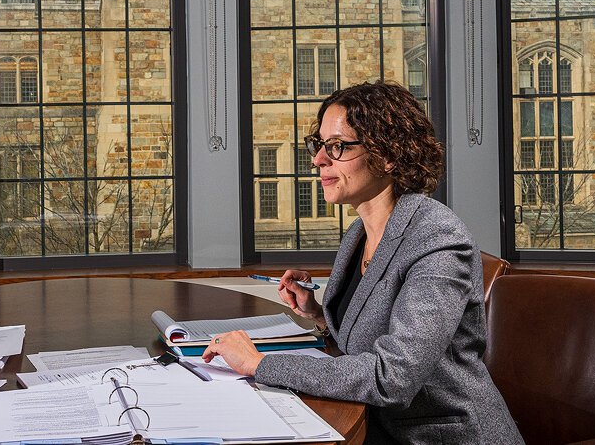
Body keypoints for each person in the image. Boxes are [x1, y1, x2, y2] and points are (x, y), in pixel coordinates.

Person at [203, 82, 521, 444]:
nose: (318, 159)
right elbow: (367, 341)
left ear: (388, 155)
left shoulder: (438, 240)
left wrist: (258, 364)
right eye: (319, 145)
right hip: (377, 427)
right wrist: (321, 313)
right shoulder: (359, 233)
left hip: (440, 435)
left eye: (337, 146)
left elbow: (392, 377)